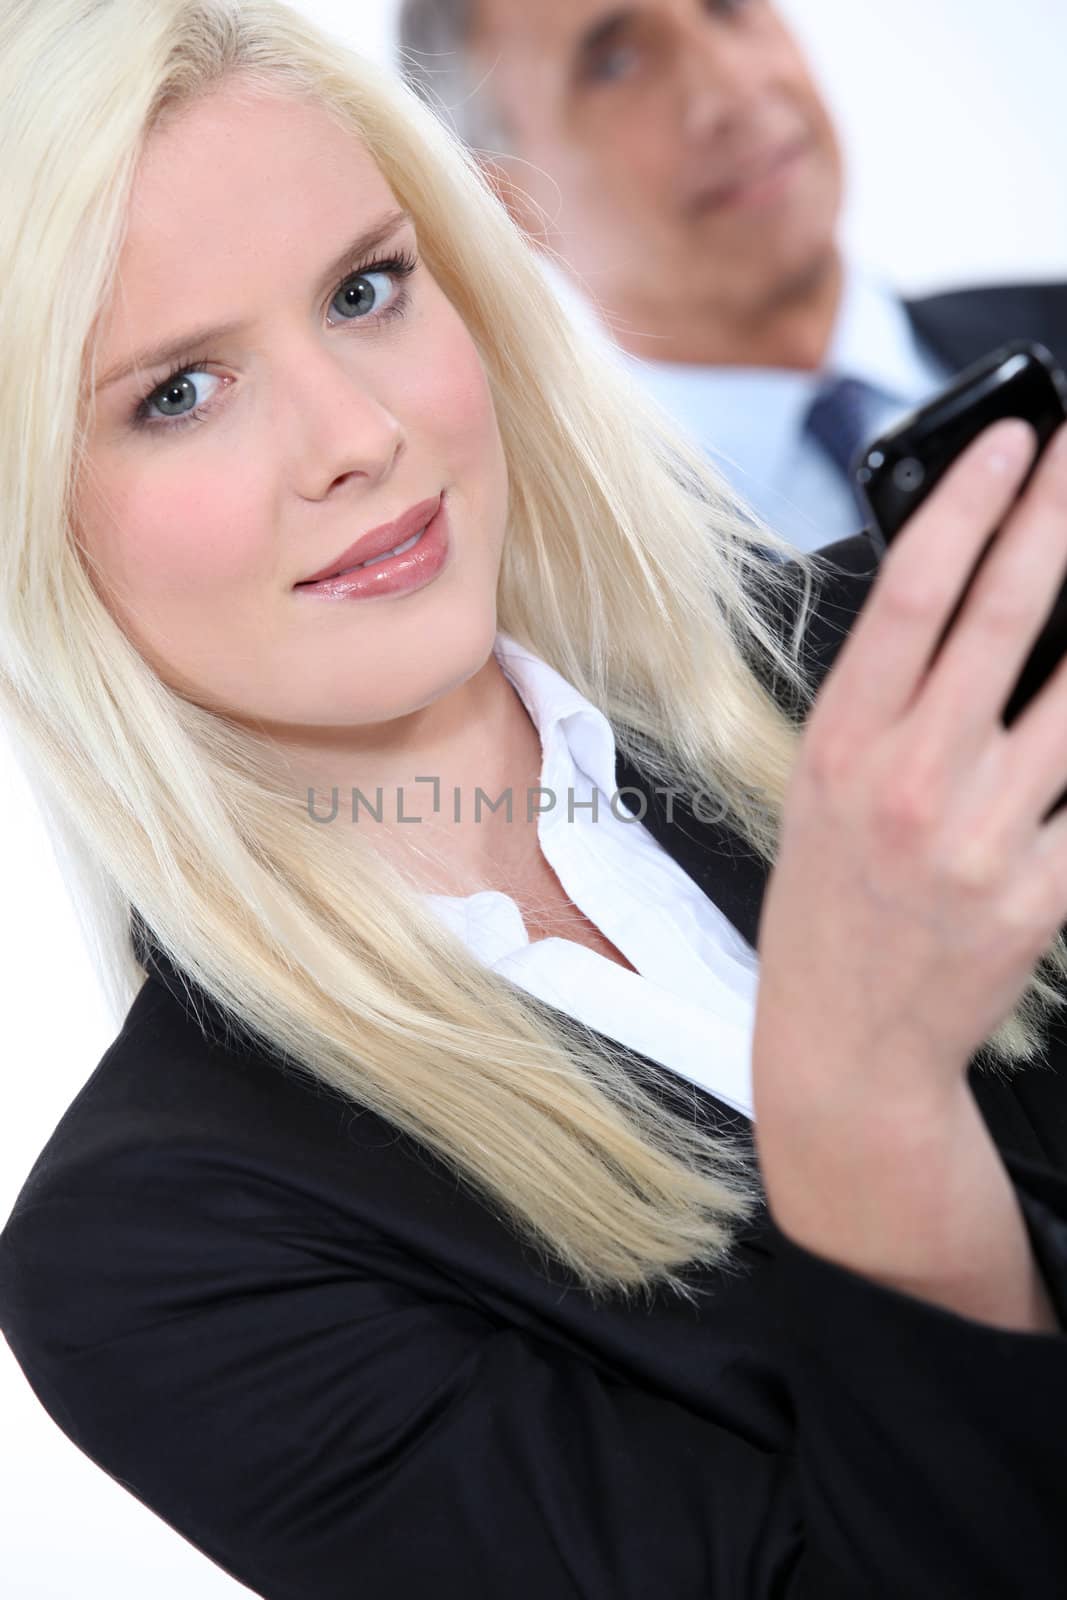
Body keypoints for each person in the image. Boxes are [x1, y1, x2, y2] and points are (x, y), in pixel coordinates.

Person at [1, 2, 1067, 1597]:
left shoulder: (899, 665)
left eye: (365, 290)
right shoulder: (161, 1249)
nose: (359, 437)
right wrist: (857, 1097)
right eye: (178, 393)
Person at [396, 0, 1067, 552]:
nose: (731, 90)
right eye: (616, 64)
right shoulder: (565, 596)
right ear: (504, 202)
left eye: (726, 7)